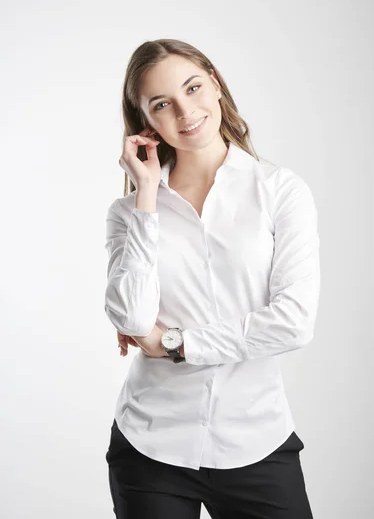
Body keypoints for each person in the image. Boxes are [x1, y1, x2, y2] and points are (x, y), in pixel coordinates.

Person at [104, 38, 320, 518]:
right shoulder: (129, 212)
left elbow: (294, 322)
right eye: (162, 104)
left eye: (194, 88)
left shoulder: (280, 192)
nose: (186, 112)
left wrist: (178, 343)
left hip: (255, 441)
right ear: (145, 122)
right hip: (150, 444)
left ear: (215, 84)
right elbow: (134, 317)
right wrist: (146, 195)